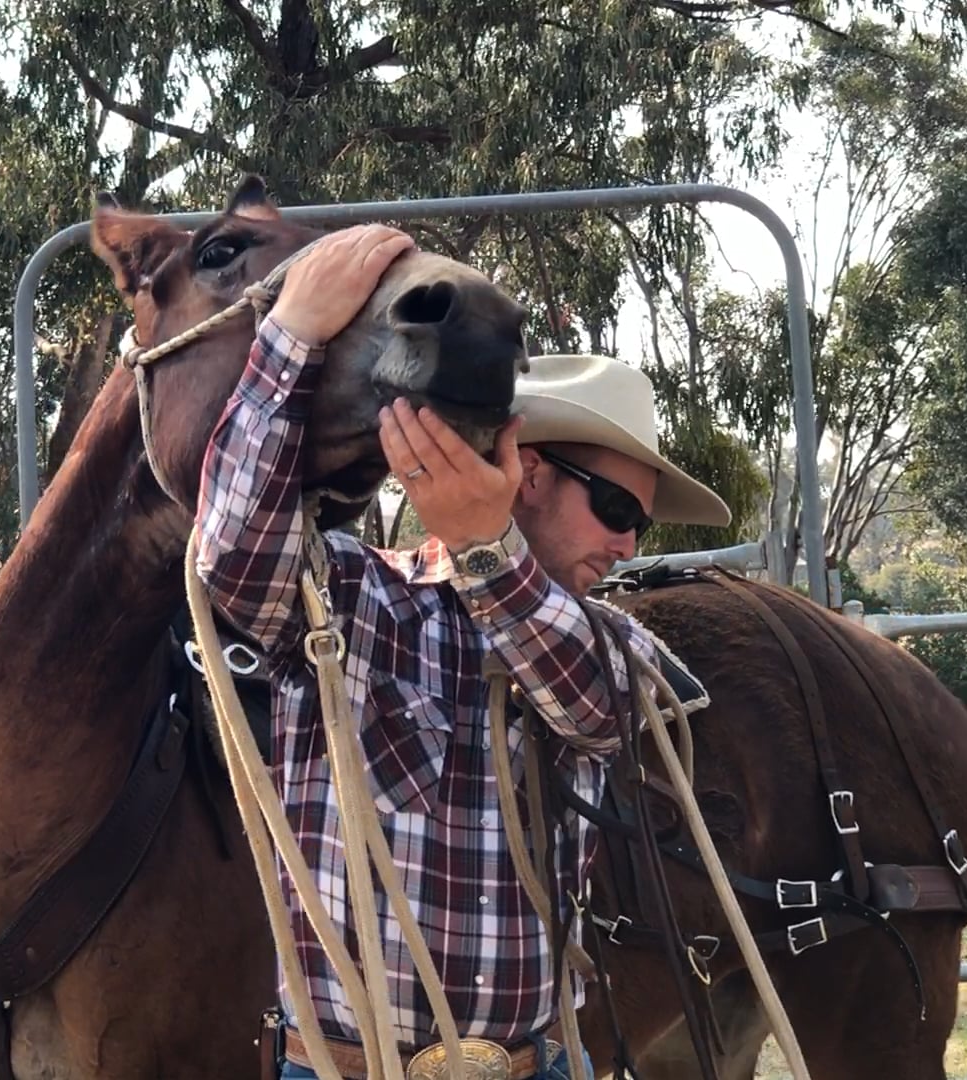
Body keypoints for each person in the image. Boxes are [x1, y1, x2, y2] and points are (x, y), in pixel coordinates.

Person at [193, 224, 733, 1080]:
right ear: (528, 471)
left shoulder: (613, 642)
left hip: (532, 1063)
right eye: (617, 511)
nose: (629, 547)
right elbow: (230, 565)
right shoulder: (355, 598)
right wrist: (288, 338)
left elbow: (598, 710)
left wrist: (487, 547)